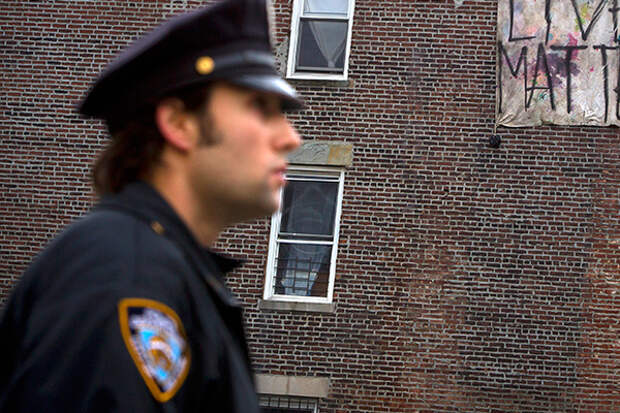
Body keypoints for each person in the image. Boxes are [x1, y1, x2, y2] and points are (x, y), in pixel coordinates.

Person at [0, 0, 302, 411]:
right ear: (179, 123)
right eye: (261, 108)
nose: (291, 138)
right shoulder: (126, 273)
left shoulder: (157, 267)